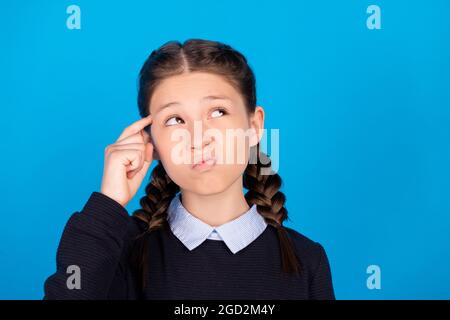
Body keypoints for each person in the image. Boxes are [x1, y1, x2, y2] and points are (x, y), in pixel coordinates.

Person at [43, 39, 335, 300]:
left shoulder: (306, 260)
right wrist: (109, 203)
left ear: (254, 126)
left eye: (218, 112)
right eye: (174, 120)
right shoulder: (119, 252)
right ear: (151, 141)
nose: (197, 138)